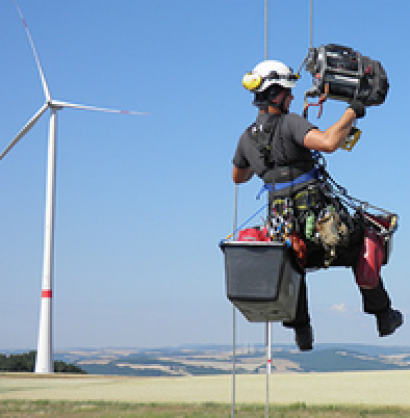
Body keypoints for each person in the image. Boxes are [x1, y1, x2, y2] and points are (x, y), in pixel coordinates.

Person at [232, 60, 403, 351]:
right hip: (318, 221)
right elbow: (327, 142)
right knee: (365, 237)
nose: (292, 97)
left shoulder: (247, 137)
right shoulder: (290, 122)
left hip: (282, 227)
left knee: (292, 264)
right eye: (288, 92)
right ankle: (383, 316)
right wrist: (355, 109)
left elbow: (238, 177)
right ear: (276, 94)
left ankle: (302, 332)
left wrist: (263, 163)